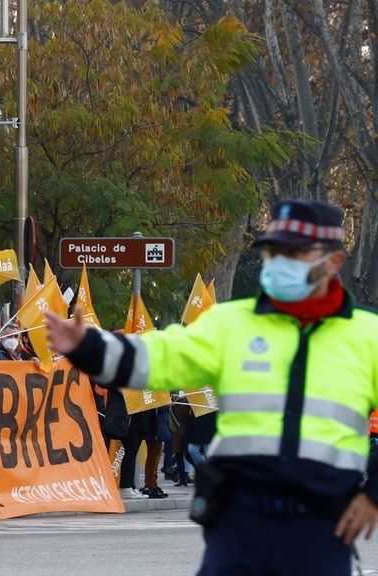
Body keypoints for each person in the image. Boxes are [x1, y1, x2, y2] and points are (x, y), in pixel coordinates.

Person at [45, 199, 378, 575]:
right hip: (239, 524)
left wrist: (374, 492)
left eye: (293, 253)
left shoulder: (368, 336)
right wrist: (89, 348)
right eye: (273, 251)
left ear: (333, 261)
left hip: (322, 530)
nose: (278, 262)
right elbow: (163, 355)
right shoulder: (232, 324)